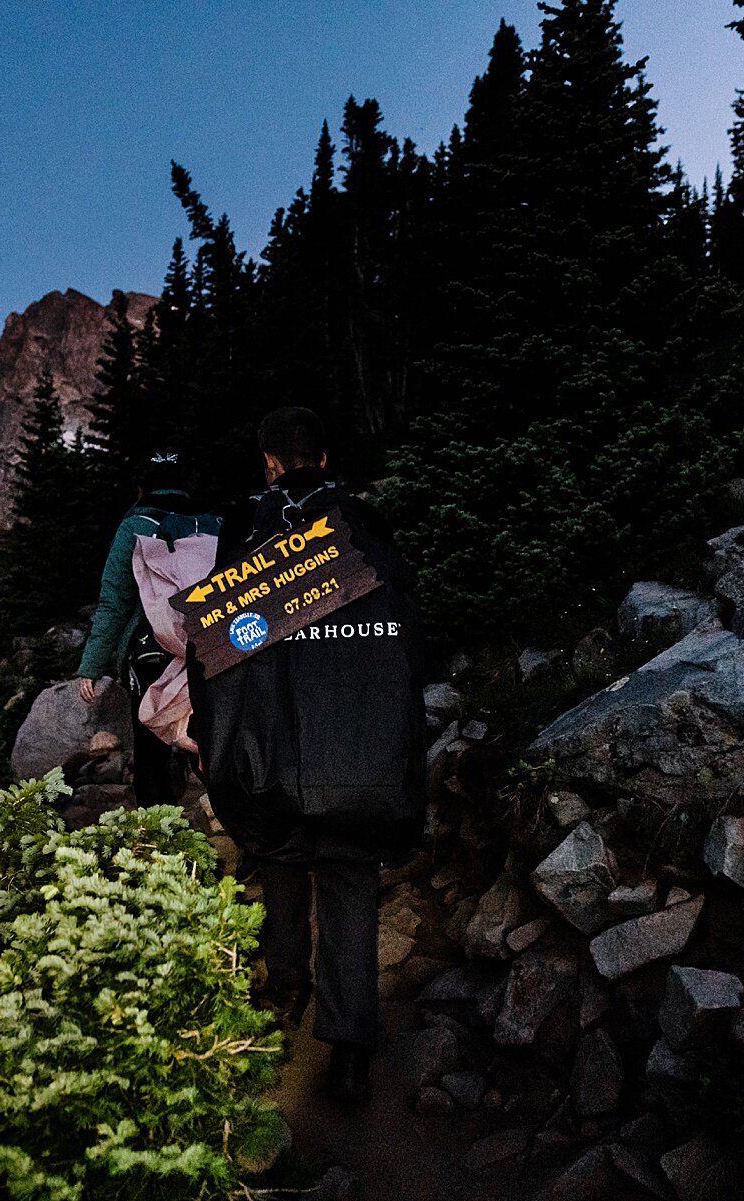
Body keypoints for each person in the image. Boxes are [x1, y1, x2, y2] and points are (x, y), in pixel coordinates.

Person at [188, 406, 426, 1103]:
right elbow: (405, 634)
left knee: (284, 861)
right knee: (350, 882)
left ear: (269, 463)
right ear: (322, 460)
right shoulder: (363, 527)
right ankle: (349, 1052)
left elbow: (219, 648)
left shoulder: (245, 529)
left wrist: (219, 742)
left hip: (278, 750)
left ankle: (287, 990)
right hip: (356, 748)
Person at [76, 454, 218, 807]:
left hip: (150, 647)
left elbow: (115, 601)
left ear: (142, 488)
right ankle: (224, 822)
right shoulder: (211, 522)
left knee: (150, 745)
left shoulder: (135, 525)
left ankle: (156, 837)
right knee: (205, 735)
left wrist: (91, 666)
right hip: (209, 643)